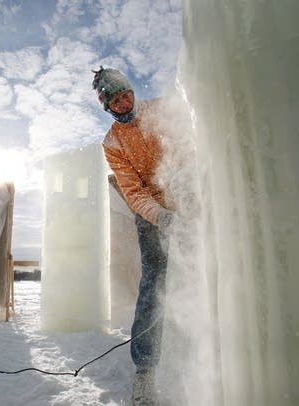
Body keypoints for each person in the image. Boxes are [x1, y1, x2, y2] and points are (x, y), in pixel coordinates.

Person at [92, 66, 174, 405]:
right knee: (154, 280)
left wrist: (187, 197)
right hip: (151, 210)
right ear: (107, 105)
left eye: (126, 93)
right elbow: (132, 190)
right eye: (115, 98)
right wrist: (160, 215)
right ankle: (145, 371)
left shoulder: (160, 111)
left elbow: (189, 150)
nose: (124, 101)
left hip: (188, 194)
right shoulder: (112, 143)